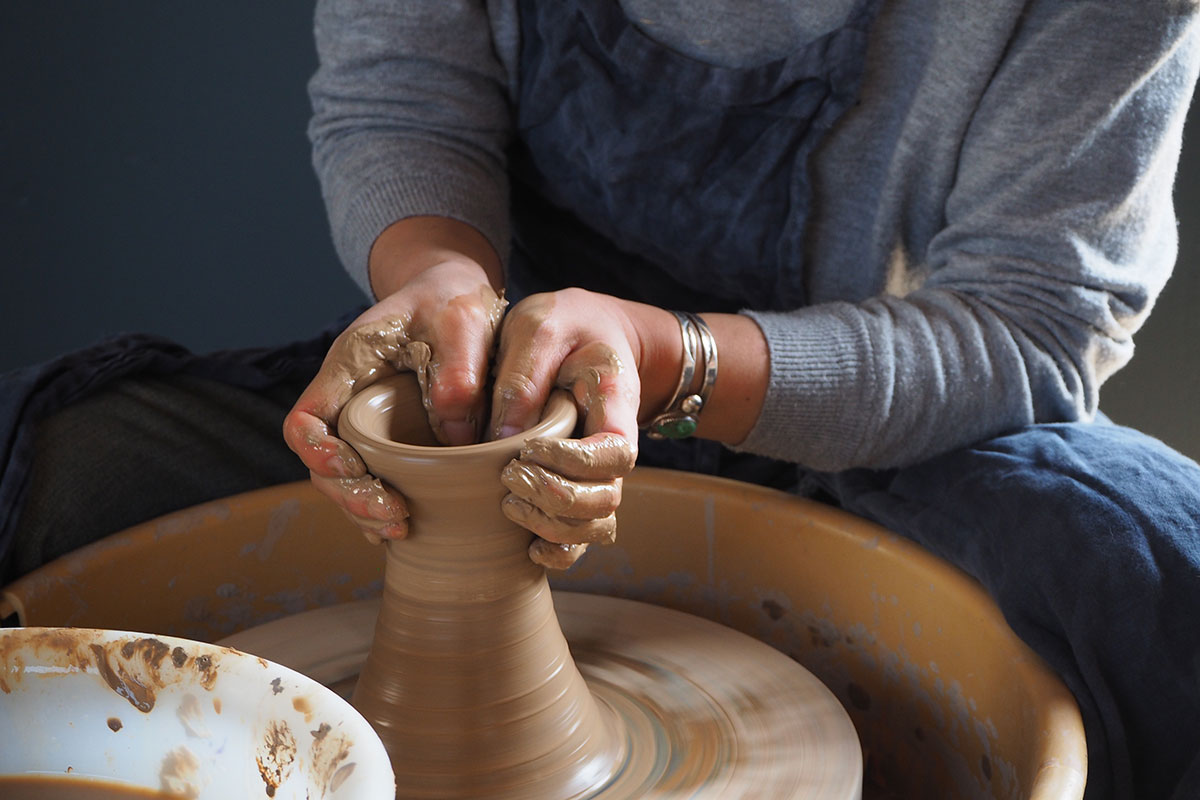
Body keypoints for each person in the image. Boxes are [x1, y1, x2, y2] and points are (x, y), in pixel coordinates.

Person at [2, 1, 1198, 798]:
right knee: (70, 470)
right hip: (500, 400)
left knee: (1159, 569)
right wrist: (442, 284)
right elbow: (400, 98)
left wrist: (669, 360)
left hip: (869, 428)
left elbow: (1030, 321)